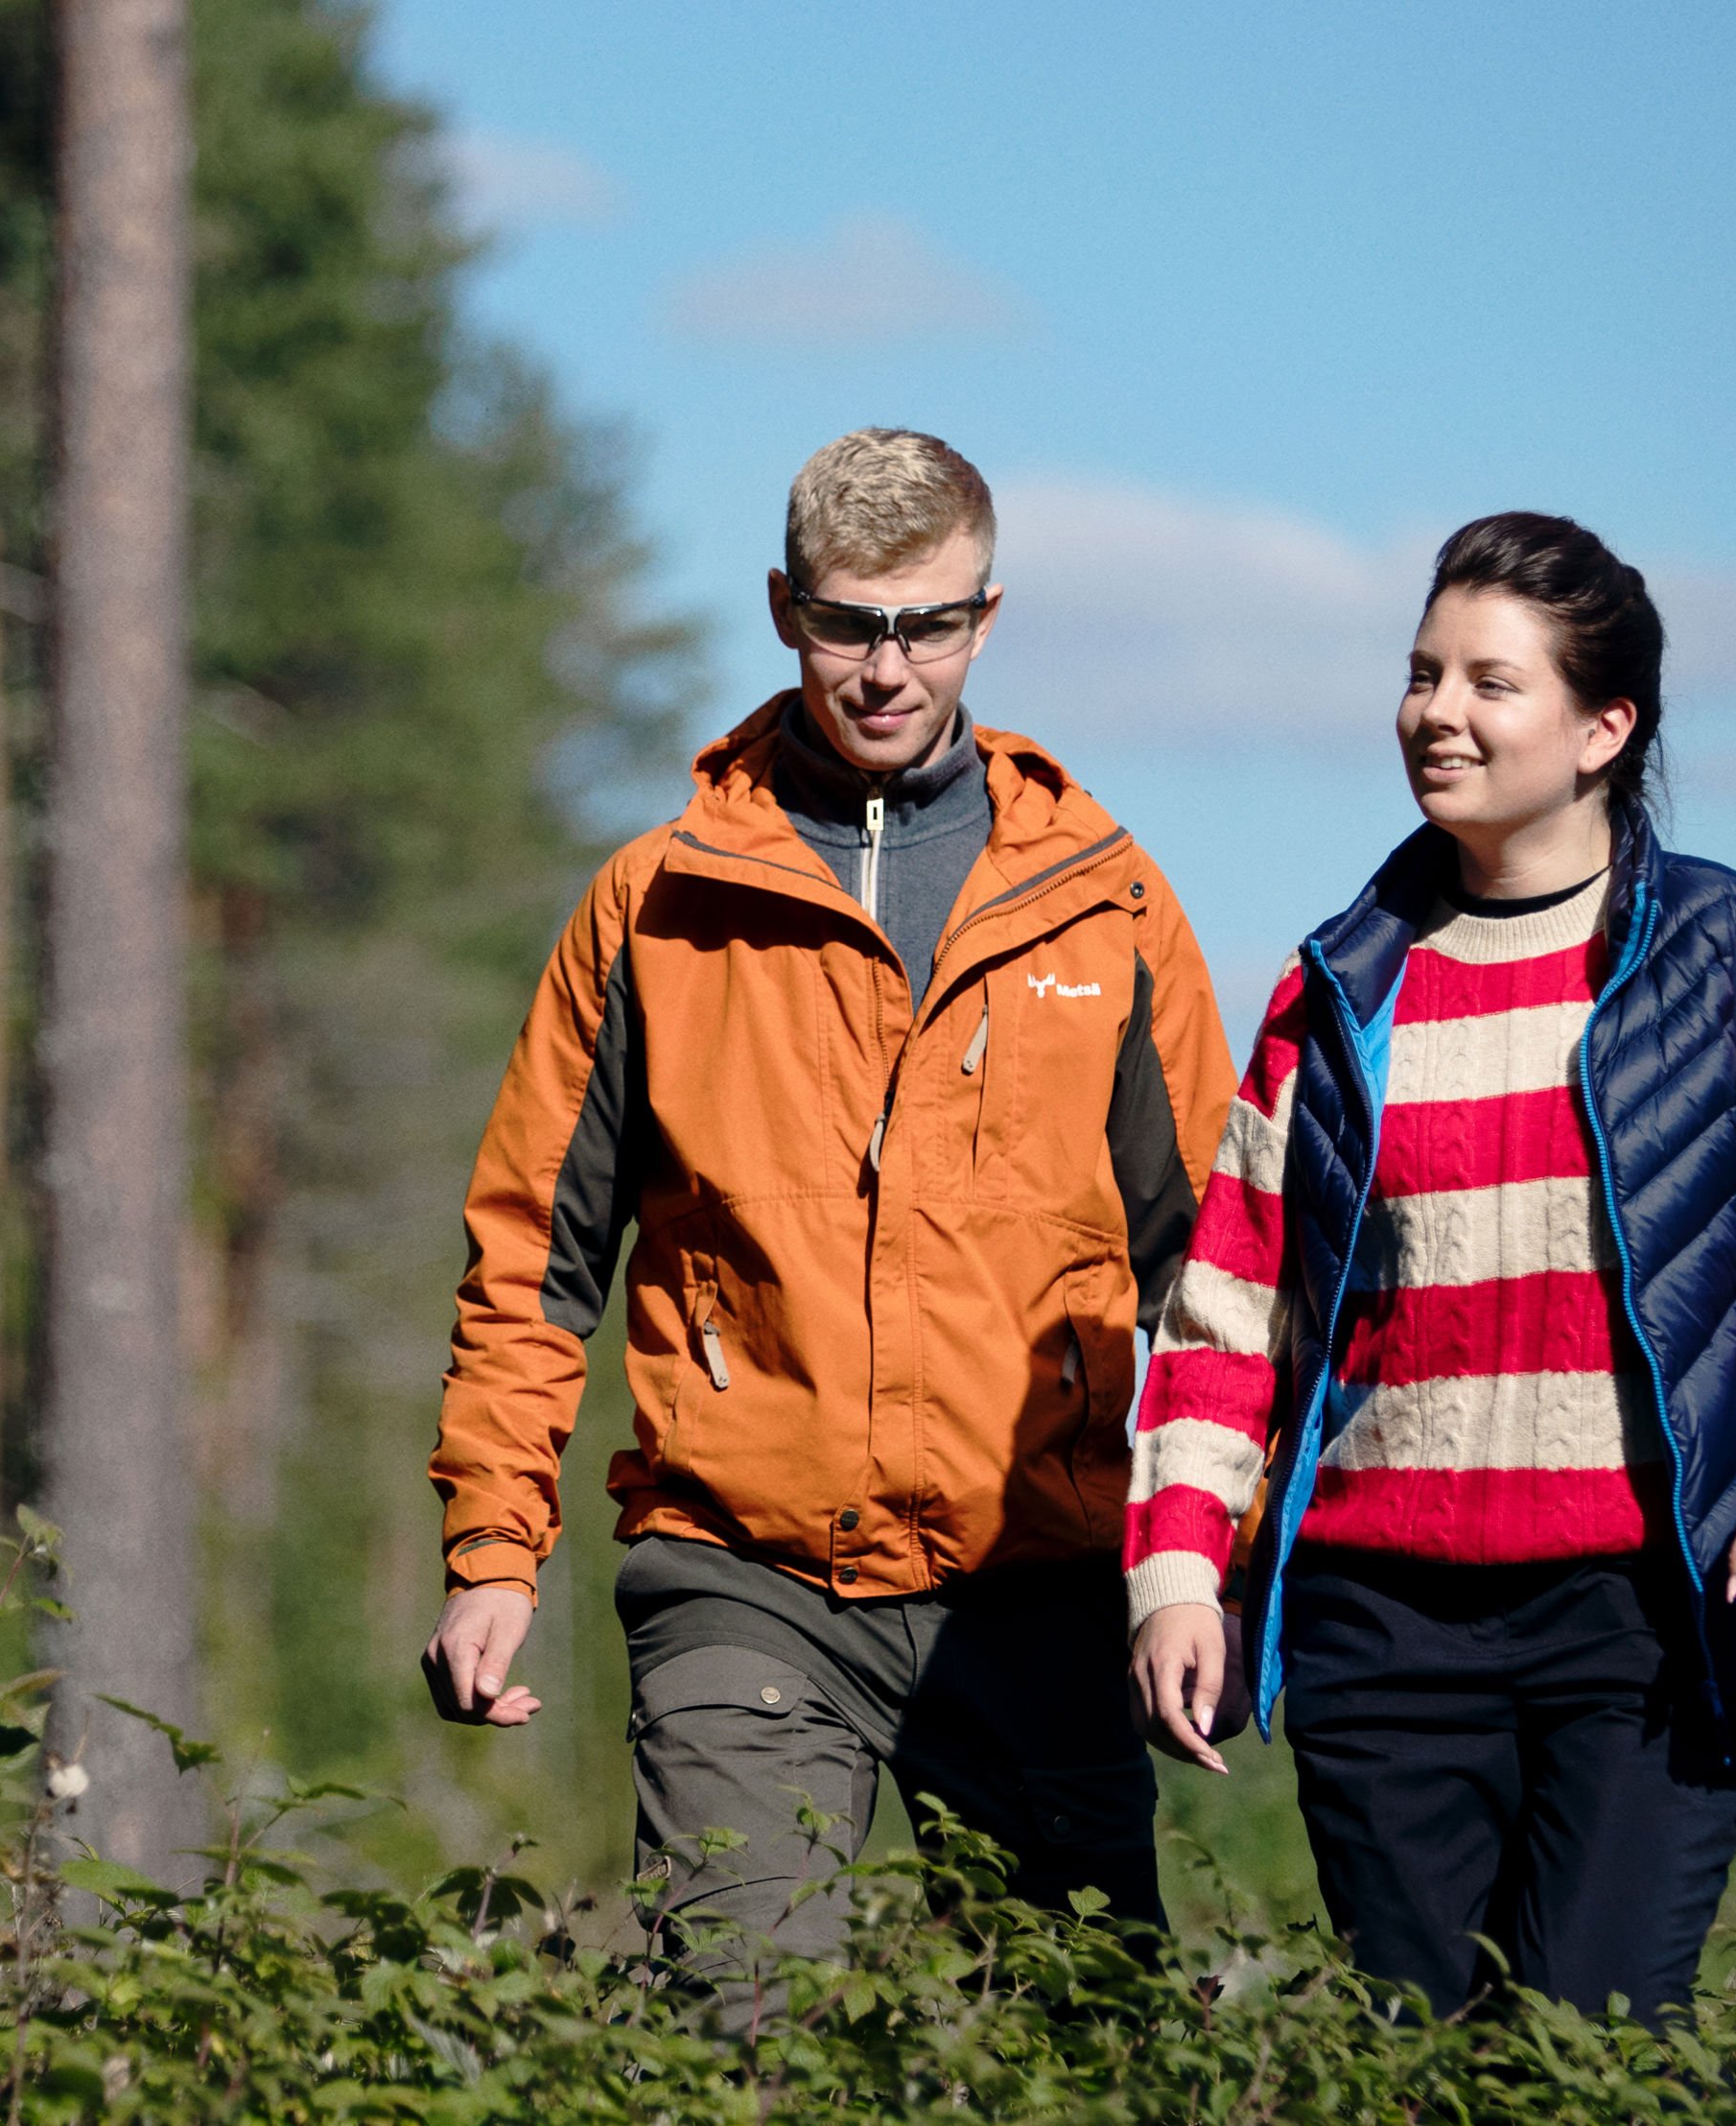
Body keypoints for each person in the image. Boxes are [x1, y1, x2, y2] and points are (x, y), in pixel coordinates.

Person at [421, 429, 1233, 1973]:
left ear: (987, 617)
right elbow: (533, 1262)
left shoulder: (1106, 899)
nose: (886, 666)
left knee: (1079, 2051)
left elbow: (1220, 1271)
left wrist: (1218, 1561)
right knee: (737, 2031)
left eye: (927, 623)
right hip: (744, 1574)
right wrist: (491, 1554)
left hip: (1041, 1581)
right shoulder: (656, 903)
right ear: (787, 609)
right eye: (852, 622)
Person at [1122, 512, 1736, 2022]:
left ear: (1602, 727)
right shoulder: (1336, 986)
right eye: (1425, 673)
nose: (1438, 711)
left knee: (1588, 2052)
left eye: (1492, 683)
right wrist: (1180, 1571)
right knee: (1423, 2073)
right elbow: (1227, 1310)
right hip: (1378, 1632)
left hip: (1644, 1619)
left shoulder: (1729, 949)